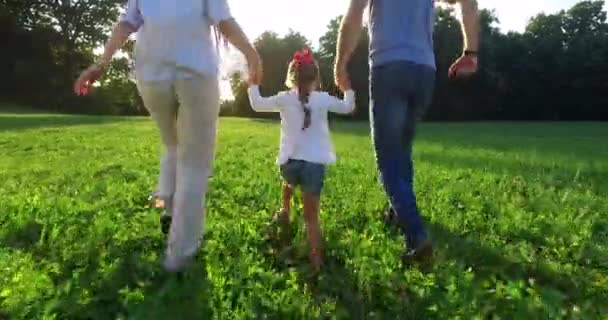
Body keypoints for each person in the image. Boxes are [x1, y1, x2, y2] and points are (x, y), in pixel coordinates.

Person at [73, 0, 262, 273]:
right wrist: (253, 56)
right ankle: (179, 255)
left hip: (151, 77)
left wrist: (101, 63)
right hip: (195, 74)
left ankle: (167, 206)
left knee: (172, 143)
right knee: (194, 163)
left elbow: (126, 24)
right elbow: (224, 22)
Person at [334, 0, 480, 266]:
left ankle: (417, 236)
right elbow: (467, 3)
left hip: (389, 66)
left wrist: (340, 63)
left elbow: (354, 14)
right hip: (424, 70)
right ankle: (396, 212)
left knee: (388, 158)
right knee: (402, 148)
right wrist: (471, 52)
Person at [247, 49, 355, 272]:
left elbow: (257, 103)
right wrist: (347, 89)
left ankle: (285, 210)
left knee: (288, 182)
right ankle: (316, 264)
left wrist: (253, 83)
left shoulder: (283, 99)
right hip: (314, 166)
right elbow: (348, 107)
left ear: (291, 77)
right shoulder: (323, 99)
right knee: (311, 218)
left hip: (289, 164)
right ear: (315, 78)